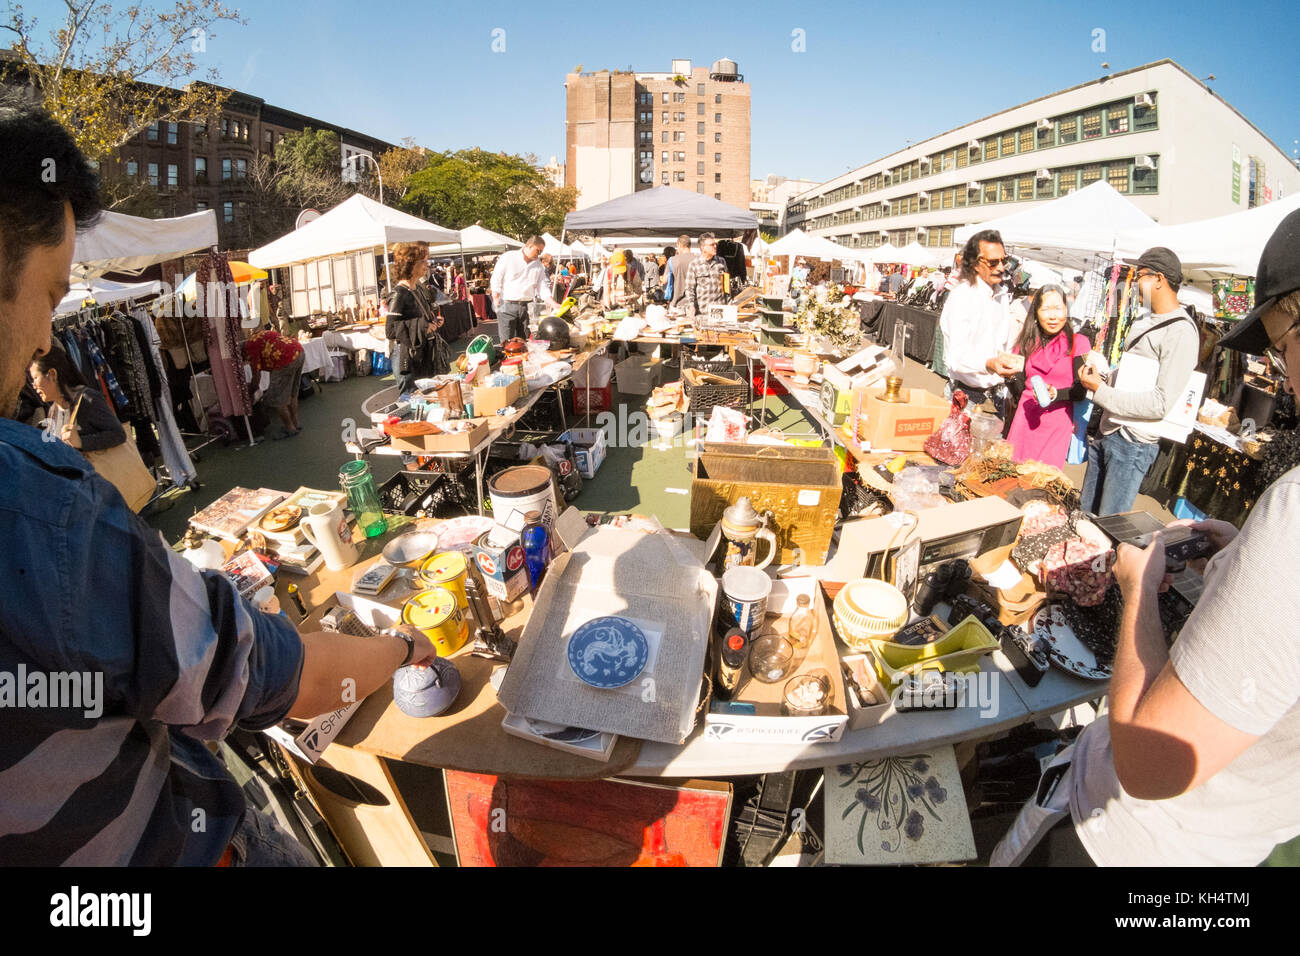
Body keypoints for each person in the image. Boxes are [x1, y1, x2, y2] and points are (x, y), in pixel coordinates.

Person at [0, 102, 439, 865]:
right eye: (49, 291)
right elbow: (279, 676)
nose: (48, 336)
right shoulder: (42, 515)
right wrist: (402, 649)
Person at [995, 209, 1300, 868]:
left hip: (1123, 840)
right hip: (1225, 849)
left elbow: (1148, 760)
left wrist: (1135, 592)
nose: (1280, 370)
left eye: (1281, 339)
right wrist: (1246, 549)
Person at [1078, 247, 1199, 515]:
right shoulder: (1143, 320)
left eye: (1140, 276)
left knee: (1108, 527)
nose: (1133, 284)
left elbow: (1160, 403)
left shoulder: (1181, 332)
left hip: (1133, 443)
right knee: (1084, 516)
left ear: (1159, 279)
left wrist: (1100, 391)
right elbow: (1134, 377)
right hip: (1108, 430)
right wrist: (1105, 375)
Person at [999, 284, 1090, 468]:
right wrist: (1008, 376)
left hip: (1057, 424)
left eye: (1058, 308)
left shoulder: (1079, 344)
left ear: (1067, 309)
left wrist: (1056, 394)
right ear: (1036, 312)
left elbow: (1081, 390)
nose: (1053, 316)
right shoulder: (1026, 342)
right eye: (1046, 309)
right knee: (1011, 476)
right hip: (1024, 420)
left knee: (1042, 484)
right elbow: (1018, 390)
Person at [938, 229, 1018, 417]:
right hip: (966, 397)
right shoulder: (962, 297)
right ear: (974, 263)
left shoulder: (1002, 296)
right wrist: (989, 364)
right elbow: (956, 358)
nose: (1000, 267)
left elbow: (1005, 344)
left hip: (997, 397)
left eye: (1003, 261)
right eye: (993, 262)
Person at [28, 343, 127, 452]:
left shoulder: (87, 399)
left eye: (35, 378)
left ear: (52, 374)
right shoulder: (53, 410)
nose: (33, 385)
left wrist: (81, 442)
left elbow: (119, 434)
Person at [490, 235, 558, 343]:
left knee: (525, 341)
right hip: (506, 304)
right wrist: (496, 298)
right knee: (507, 342)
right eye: (538, 251)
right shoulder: (508, 257)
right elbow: (496, 278)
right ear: (530, 246)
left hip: (527, 307)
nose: (539, 254)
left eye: (541, 251)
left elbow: (542, 287)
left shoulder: (538, 266)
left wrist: (554, 303)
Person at [245, 324, 305, 438]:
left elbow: (256, 378)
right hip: (298, 350)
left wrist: (250, 392)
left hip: (286, 358)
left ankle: (290, 428)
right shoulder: (258, 336)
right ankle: (295, 422)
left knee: (277, 398)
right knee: (293, 393)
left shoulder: (250, 347)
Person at [683, 232, 729, 323]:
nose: (715, 246)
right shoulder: (694, 264)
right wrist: (691, 306)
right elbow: (689, 289)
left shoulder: (722, 262)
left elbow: (727, 287)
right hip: (703, 314)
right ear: (703, 248)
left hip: (720, 312)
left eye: (715, 244)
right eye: (712, 245)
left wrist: (731, 305)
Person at [669, 234, 695, 311]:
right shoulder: (699, 259)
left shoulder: (672, 260)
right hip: (695, 304)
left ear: (679, 245)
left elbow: (665, 280)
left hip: (677, 303)